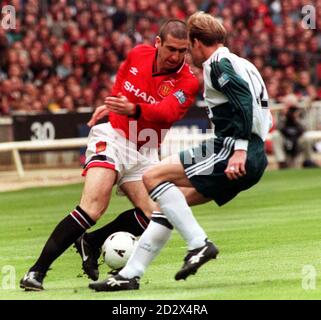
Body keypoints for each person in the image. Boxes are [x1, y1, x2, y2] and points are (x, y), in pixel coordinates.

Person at [89, 11, 273, 292]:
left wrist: (239, 149)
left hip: (232, 147)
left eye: (188, 47)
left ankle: (199, 243)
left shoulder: (216, 64)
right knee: (168, 207)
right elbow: (259, 108)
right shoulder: (242, 63)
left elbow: (243, 102)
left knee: (153, 176)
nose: (186, 56)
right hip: (254, 154)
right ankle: (130, 274)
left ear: (198, 42)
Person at [20, 19, 199, 291]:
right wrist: (112, 106)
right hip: (113, 137)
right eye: (171, 49)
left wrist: (133, 109)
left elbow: (166, 113)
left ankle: (90, 241)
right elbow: (123, 85)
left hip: (145, 150)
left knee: (157, 216)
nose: (176, 56)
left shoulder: (187, 81)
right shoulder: (138, 54)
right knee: (93, 207)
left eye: (182, 51)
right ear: (158, 43)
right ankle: (36, 272)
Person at [271, 94, 319, 169]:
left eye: (292, 105)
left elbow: (305, 128)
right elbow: (278, 128)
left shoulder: (300, 112)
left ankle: (308, 161)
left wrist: (296, 118)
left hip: (297, 140)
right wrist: (284, 116)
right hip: (285, 139)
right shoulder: (281, 113)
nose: (291, 109)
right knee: (275, 135)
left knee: (306, 138)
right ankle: (281, 162)